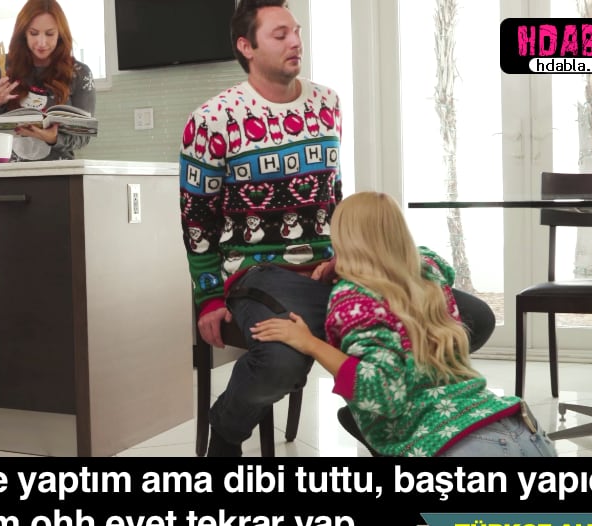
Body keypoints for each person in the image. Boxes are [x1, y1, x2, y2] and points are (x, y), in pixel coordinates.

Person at [179, 0, 495, 457]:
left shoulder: (326, 104)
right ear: (246, 46)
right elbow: (196, 218)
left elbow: (333, 194)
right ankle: (226, 431)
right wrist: (209, 297)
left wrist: (346, 255)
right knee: (281, 362)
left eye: (297, 31)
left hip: (334, 268)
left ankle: (379, 413)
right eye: (280, 35)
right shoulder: (212, 119)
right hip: (258, 274)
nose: (295, 42)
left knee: (472, 318)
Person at [251, 192, 557, 457]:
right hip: (523, 431)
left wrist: (310, 343)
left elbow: (382, 391)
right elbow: (435, 261)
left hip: (462, 446)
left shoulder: (352, 298)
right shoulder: (427, 271)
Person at [0, 0, 95, 161]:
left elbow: (84, 136)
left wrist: (53, 138)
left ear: (60, 34)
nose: (41, 42)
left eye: (49, 34)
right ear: (23, 33)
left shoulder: (80, 73)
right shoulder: (3, 66)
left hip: (60, 171)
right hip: (10, 170)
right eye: (33, 33)